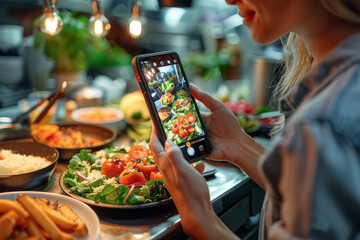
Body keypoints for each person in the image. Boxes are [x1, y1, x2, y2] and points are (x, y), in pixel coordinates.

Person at [150, 0, 360, 239]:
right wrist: (238, 145)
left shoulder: (325, 123)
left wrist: (200, 219)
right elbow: (314, 194)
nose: (229, 0)